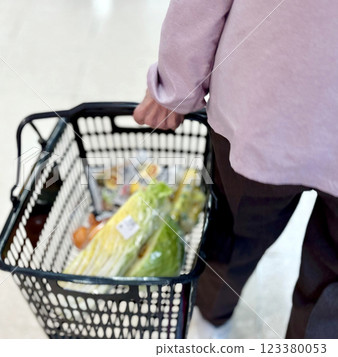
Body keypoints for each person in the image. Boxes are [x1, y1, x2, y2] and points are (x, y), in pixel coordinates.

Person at [133, 0, 338, 339]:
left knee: (237, 235)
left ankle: (212, 318)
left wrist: (176, 86)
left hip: (261, 108)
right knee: (332, 284)